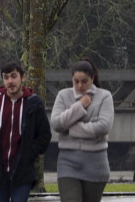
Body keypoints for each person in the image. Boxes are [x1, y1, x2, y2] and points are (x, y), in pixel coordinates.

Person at [0, 61, 52, 202]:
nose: (10, 81)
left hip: (22, 172)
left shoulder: (34, 103)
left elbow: (44, 136)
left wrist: (29, 155)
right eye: (6, 77)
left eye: (13, 76)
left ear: (23, 77)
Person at [50, 58, 114, 202]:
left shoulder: (105, 96)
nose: (80, 85)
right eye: (76, 81)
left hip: (96, 164)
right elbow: (56, 124)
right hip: (68, 163)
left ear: (92, 78)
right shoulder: (63, 95)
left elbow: (103, 126)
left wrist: (71, 129)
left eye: (84, 81)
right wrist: (79, 106)